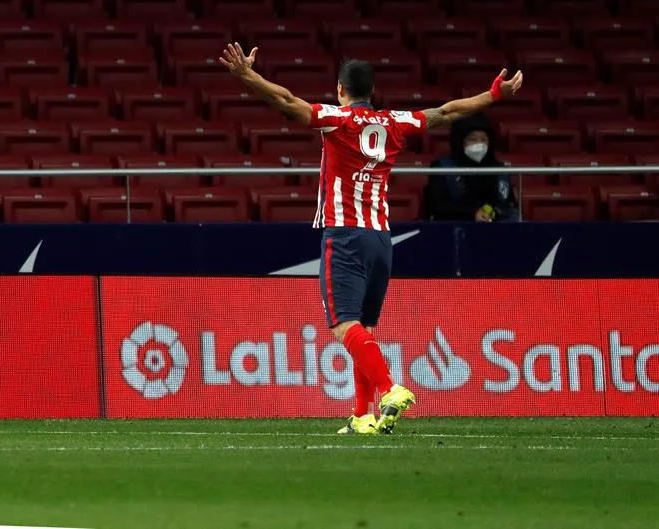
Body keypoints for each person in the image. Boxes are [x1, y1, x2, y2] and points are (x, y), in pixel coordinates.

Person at [219, 42, 523, 435]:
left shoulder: (336, 119)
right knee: (364, 327)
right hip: (381, 240)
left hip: (344, 235)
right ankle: (362, 416)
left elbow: (288, 100)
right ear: (371, 92)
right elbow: (448, 111)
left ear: (340, 90)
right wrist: (495, 94)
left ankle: (389, 389)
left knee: (344, 327)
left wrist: (247, 76)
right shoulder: (396, 122)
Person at [426, 113, 520, 222]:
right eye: (472, 139)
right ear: (460, 142)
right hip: (456, 227)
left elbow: (507, 204)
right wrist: (472, 213)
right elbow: (438, 206)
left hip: (494, 227)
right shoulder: (442, 167)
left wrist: (494, 212)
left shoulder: (499, 170)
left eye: (483, 139)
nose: (479, 144)